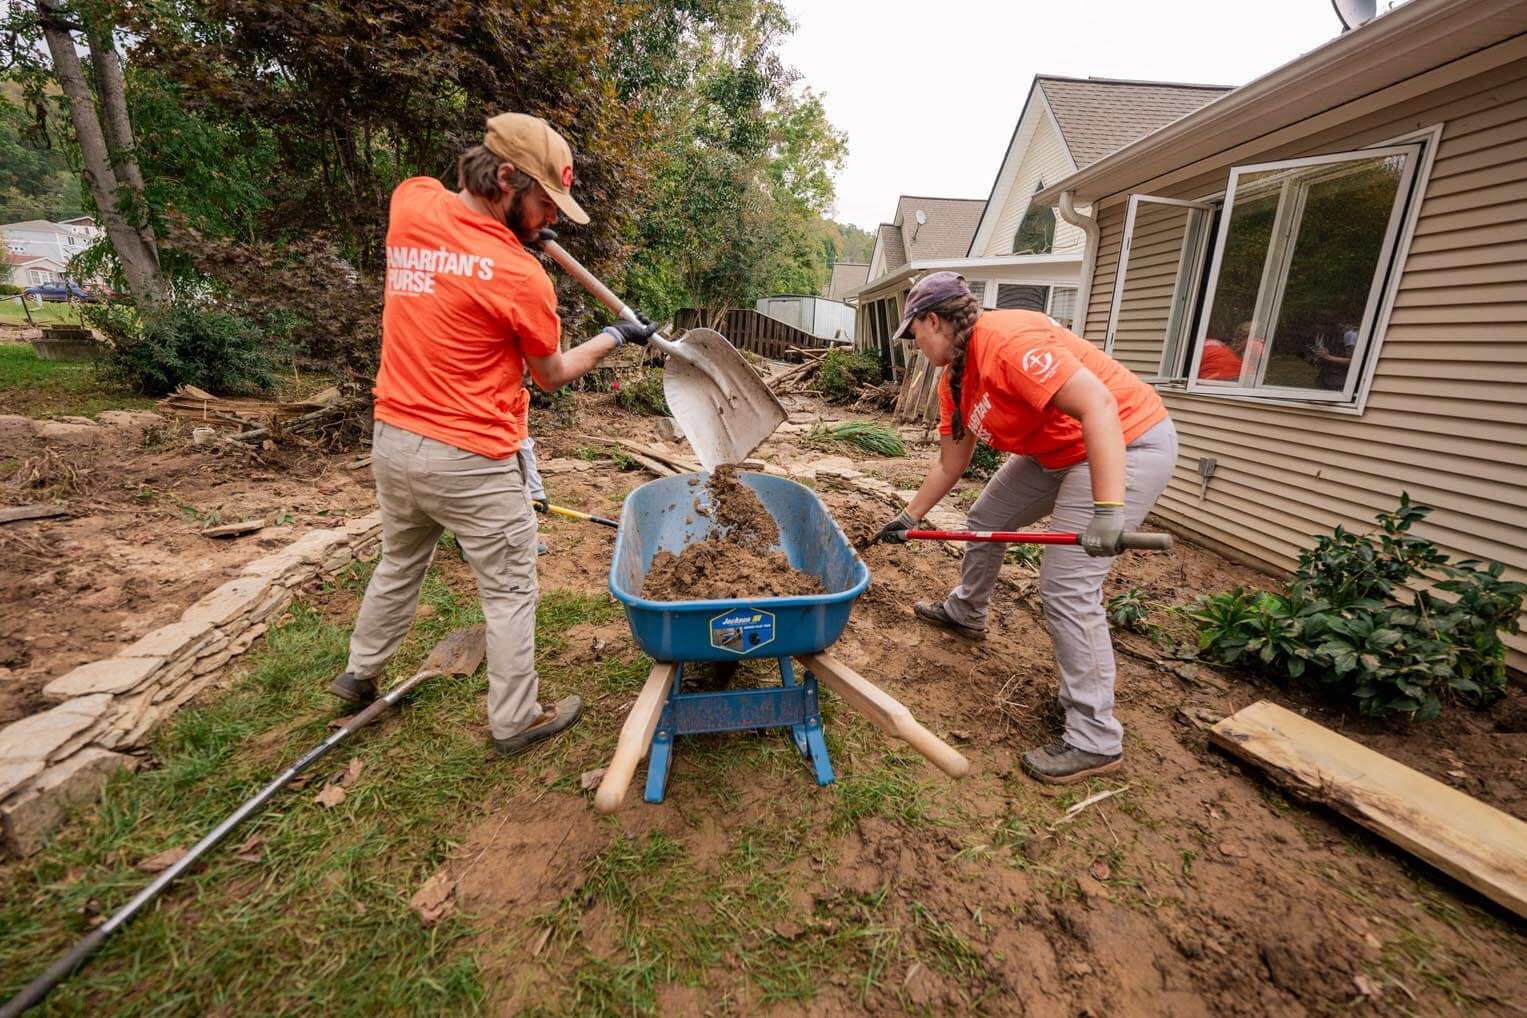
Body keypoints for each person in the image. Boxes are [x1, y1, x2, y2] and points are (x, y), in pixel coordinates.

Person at [328, 112, 657, 757]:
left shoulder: (410, 204)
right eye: (542, 202)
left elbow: (458, 231)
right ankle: (515, 718)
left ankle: (360, 673)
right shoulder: (522, 277)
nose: (550, 219)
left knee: (399, 561)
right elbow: (553, 374)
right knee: (510, 588)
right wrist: (617, 336)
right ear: (504, 177)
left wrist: (509, 229)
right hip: (469, 457)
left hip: (393, 440)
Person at [872, 271, 1178, 784]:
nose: (912, 345)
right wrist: (910, 516)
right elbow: (951, 464)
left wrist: (1107, 511)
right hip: (1055, 453)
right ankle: (967, 611)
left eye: (913, 333)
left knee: (1066, 585)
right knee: (987, 517)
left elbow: (1098, 405)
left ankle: (1095, 738)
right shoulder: (955, 379)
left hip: (1126, 440)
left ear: (933, 320)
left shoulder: (1008, 340)